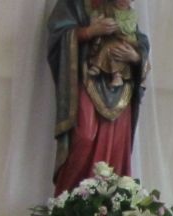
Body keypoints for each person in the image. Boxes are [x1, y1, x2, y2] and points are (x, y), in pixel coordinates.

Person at [46, 0, 150, 193]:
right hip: (88, 78)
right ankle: (69, 200)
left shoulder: (122, 6)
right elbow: (57, 35)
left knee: (117, 145)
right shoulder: (74, 3)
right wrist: (89, 32)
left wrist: (135, 57)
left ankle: (108, 201)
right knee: (84, 136)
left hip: (121, 86)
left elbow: (138, 38)